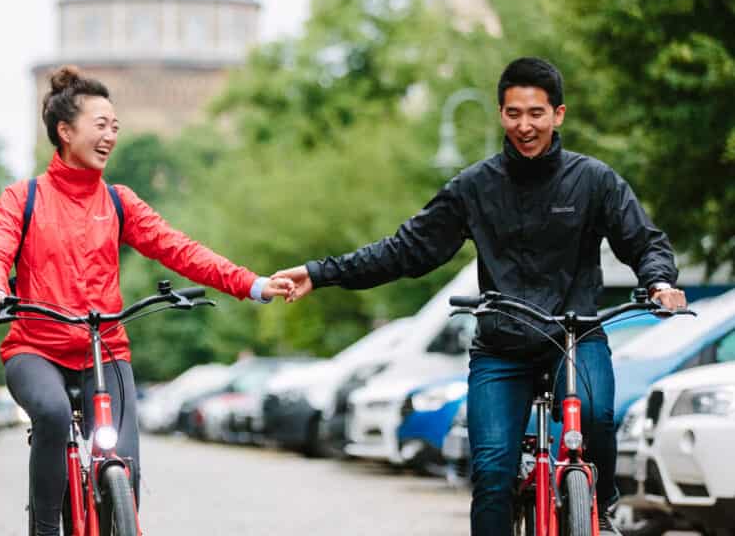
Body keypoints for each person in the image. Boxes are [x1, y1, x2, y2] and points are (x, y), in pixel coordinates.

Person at [271, 57, 686, 535]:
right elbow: (407, 250)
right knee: (491, 473)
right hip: (501, 346)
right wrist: (319, 274)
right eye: (513, 113)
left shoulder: (594, 180)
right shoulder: (474, 187)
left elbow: (644, 241)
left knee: (593, 415)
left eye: (536, 113)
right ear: (500, 114)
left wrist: (659, 282)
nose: (524, 125)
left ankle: (602, 507)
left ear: (559, 114)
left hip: (573, 336)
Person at [0, 65, 290, 536]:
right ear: (65, 131)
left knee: (125, 465)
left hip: (106, 351)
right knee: (55, 414)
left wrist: (251, 284)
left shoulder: (119, 202)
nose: (110, 136)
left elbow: (180, 249)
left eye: (115, 127)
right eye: (100, 125)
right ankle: (44, 529)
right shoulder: (25, 197)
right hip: (35, 349)